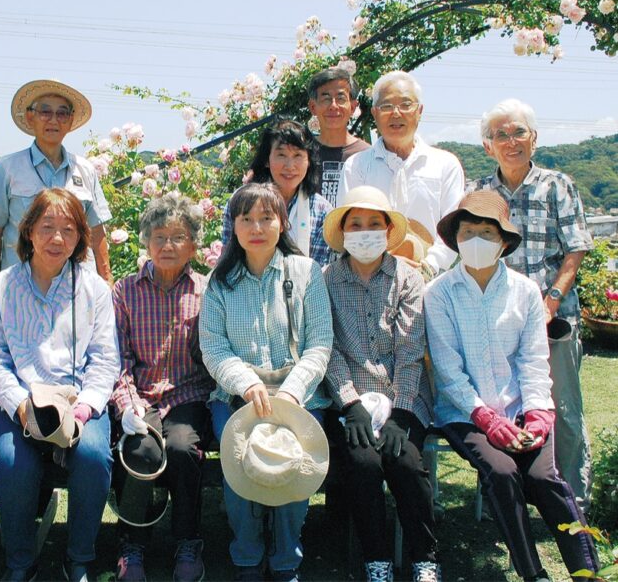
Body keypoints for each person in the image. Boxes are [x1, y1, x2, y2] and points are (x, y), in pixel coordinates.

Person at [425, 191, 599, 582]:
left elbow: (533, 361)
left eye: (487, 233)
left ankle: (587, 570)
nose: (476, 241)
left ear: (504, 241)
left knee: (544, 478)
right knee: (502, 472)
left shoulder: (524, 292)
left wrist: (537, 413)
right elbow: (449, 371)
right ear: (455, 239)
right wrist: (486, 417)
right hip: (465, 412)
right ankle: (532, 572)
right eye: (468, 232)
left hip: (521, 408)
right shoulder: (438, 294)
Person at [0, 187, 120, 582]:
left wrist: (86, 407)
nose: (57, 238)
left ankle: (79, 557)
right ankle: (21, 561)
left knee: (92, 456)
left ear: (79, 239)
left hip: (78, 402)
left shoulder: (94, 290)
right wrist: (21, 405)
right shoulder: (0, 288)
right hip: (22, 402)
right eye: (47, 227)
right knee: (12, 462)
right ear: (28, 232)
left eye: (69, 230)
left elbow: (106, 359)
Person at [200, 182, 333, 581]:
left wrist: (292, 390)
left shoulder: (306, 273)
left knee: (297, 463)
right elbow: (214, 347)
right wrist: (245, 384)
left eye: (266, 217)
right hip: (238, 396)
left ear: (283, 223)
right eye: (246, 219)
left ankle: (285, 557)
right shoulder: (220, 282)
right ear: (234, 227)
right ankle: (246, 554)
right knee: (239, 462)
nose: (256, 227)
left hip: (300, 395)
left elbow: (320, 342)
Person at [469, 98, 594, 510]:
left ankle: (572, 501)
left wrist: (552, 300)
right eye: (500, 134)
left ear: (534, 138)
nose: (511, 141)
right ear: (488, 145)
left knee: (563, 411)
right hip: (500, 321)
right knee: (504, 407)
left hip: (552, 320)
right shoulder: (481, 193)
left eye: (518, 131)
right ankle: (509, 498)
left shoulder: (557, 185)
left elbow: (575, 249)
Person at [321, 186, 439, 582]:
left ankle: (425, 558)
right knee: (363, 464)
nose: (365, 231)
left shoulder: (408, 278)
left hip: (403, 400)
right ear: (344, 232)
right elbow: (327, 346)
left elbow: (410, 349)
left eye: (375, 223)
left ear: (389, 230)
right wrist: (350, 403)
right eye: (356, 224)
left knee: (405, 463)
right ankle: (378, 560)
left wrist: (400, 413)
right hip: (349, 404)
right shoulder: (325, 280)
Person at [111, 194, 214, 582]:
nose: (168, 245)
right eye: (159, 236)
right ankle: (132, 545)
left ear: (193, 244)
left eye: (179, 236)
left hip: (188, 396)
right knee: (141, 450)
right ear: (146, 241)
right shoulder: (125, 291)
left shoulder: (206, 290)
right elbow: (116, 357)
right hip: (140, 396)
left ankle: (188, 541)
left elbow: (213, 356)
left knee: (182, 448)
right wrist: (127, 403)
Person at [0, 80, 113, 282]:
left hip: (75, 285)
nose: (53, 120)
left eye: (62, 113)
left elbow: (96, 231)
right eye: (45, 112)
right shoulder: (7, 169)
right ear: (30, 117)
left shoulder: (85, 170)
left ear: (70, 121)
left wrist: (106, 279)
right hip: (19, 284)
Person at [337, 70, 464, 277]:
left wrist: (427, 267)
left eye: (406, 105)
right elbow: (348, 229)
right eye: (387, 106)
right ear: (375, 112)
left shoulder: (445, 165)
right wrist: (380, 266)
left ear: (419, 111)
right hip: (369, 280)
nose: (396, 113)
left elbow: (454, 228)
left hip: (431, 282)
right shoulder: (356, 166)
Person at [221, 117, 333, 267]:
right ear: (267, 159)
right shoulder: (240, 201)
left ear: (309, 161)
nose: (290, 166)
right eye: (281, 155)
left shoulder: (322, 210)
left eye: (297, 156)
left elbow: (318, 272)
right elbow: (229, 260)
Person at [305, 67, 370, 206]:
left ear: (353, 107)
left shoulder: (368, 155)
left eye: (340, 98)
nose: (333, 106)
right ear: (312, 107)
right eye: (325, 98)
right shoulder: (301, 153)